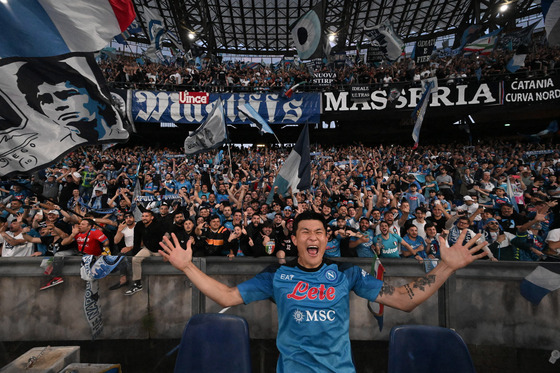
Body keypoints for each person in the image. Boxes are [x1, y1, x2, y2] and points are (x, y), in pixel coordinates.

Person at [159, 211, 488, 373]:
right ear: (296, 239)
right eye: (305, 232)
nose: (312, 237)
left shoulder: (346, 273)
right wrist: (188, 267)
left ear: (327, 239)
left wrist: (445, 267)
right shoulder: (278, 274)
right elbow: (228, 296)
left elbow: (402, 298)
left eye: (319, 232)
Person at [126, 210, 165, 295]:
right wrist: (135, 253)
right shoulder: (139, 225)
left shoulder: (157, 225)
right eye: (143, 216)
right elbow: (136, 240)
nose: (144, 218)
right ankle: (137, 283)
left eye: (146, 216)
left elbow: (163, 239)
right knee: (135, 259)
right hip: (147, 248)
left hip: (159, 249)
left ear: (152, 217)